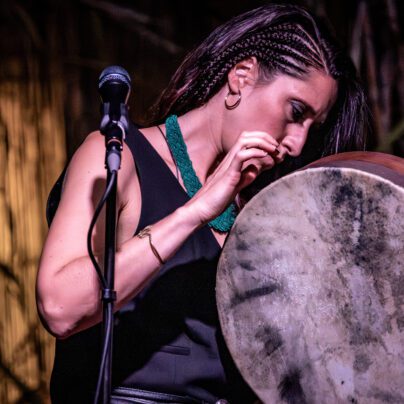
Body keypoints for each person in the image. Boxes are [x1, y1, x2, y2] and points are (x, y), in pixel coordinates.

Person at [36, 3, 368, 404]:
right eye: (296, 112)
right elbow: (60, 307)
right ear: (241, 77)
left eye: (311, 127)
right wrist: (194, 212)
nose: (297, 143)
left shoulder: (262, 211)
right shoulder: (119, 157)